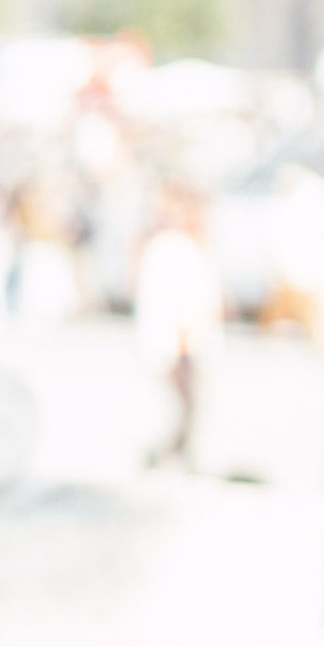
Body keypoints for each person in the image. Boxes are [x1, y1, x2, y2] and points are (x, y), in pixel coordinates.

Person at [132, 187, 221, 469]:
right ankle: (171, 454)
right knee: (188, 404)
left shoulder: (176, 245)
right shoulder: (172, 246)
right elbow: (179, 299)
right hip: (178, 338)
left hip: (182, 337)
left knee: (189, 405)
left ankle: (173, 454)